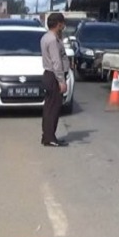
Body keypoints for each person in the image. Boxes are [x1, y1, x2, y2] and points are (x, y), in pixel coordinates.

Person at [40, 12, 70, 147]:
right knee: (53, 109)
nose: (64, 26)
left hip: (49, 74)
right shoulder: (52, 40)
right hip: (54, 76)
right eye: (62, 23)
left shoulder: (47, 37)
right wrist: (61, 81)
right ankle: (50, 138)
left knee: (49, 108)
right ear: (59, 24)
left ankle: (47, 136)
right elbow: (56, 62)